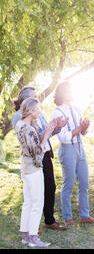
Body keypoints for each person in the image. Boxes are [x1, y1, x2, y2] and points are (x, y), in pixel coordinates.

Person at [12, 86, 68, 231]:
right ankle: (32, 227)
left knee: (50, 187)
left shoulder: (37, 112)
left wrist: (56, 127)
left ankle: (49, 220)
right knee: (34, 195)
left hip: (45, 153)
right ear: (25, 100)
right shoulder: (18, 117)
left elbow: (44, 133)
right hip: (35, 156)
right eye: (34, 97)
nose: (38, 100)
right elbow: (32, 140)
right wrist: (48, 130)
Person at [51, 81, 94, 226]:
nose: (73, 92)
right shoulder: (57, 112)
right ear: (63, 93)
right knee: (69, 183)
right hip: (67, 149)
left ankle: (85, 215)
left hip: (80, 147)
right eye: (70, 90)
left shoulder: (77, 109)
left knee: (84, 183)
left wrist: (85, 127)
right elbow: (64, 137)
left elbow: (82, 133)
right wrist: (80, 128)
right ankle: (67, 217)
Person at [15, 97, 57, 247]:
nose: (39, 111)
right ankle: (33, 238)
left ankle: (25, 235)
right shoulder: (29, 129)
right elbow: (38, 153)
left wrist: (45, 132)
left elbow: (31, 144)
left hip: (25, 167)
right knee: (37, 203)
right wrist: (46, 135)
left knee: (28, 202)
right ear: (31, 110)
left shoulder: (20, 125)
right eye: (37, 109)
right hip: (33, 169)